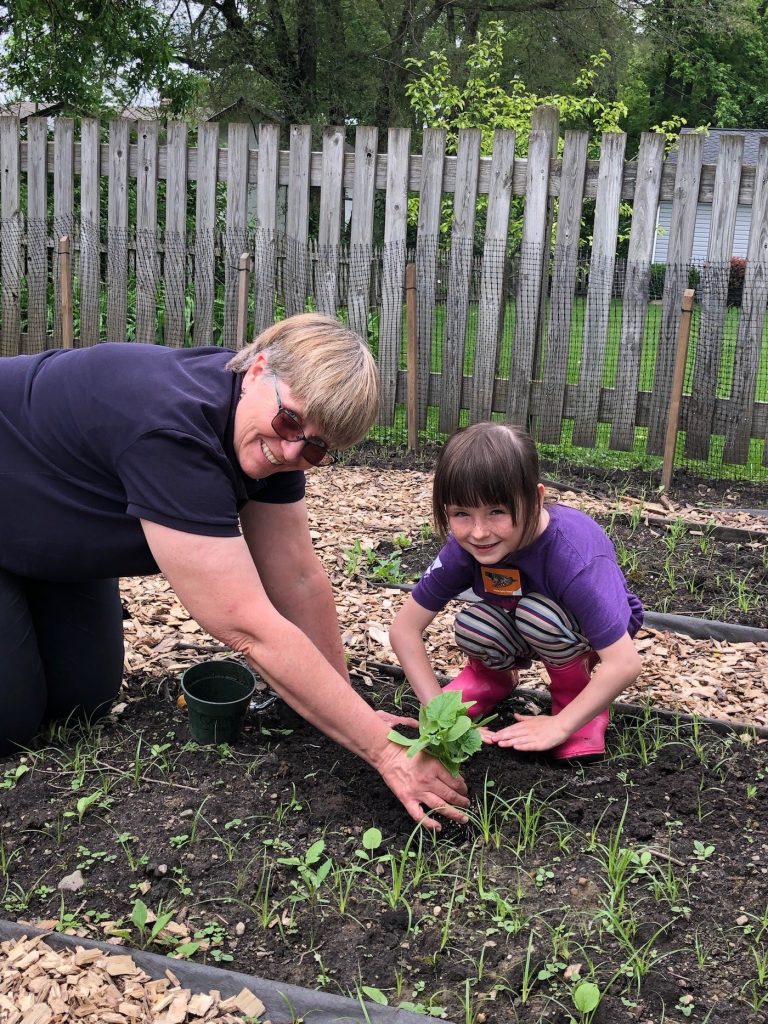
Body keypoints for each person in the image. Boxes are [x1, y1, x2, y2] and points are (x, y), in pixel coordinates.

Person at [0, 313, 468, 829]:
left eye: (315, 448)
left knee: (82, 704)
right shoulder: (174, 429)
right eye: (291, 421)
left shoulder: (265, 439)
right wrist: (387, 753)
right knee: (11, 722)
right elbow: (245, 625)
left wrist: (349, 709)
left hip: (50, 533)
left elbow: (296, 578)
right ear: (257, 369)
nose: (292, 449)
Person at [389, 422, 643, 761]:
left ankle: (576, 700)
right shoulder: (465, 549)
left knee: (538, 615)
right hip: (520, 617)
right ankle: (491, 680)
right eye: (462, 514)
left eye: (497, 511)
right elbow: (404, 630)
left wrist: (561, 725)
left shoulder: (573, 557)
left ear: (536, 499)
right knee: (474, 624)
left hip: (584, 634)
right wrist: (437, 711)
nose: (479, 532)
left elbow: (624, 664)